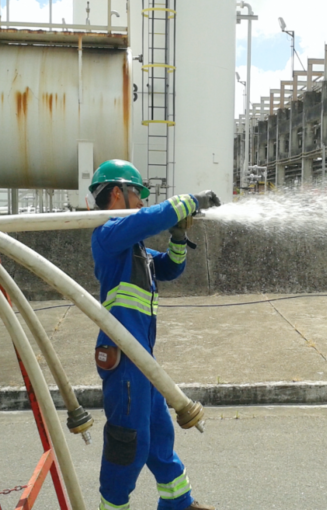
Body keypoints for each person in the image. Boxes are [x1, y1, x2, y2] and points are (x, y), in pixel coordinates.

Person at [89, 159, 221, 510]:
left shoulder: (136, 249)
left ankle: (179, 502)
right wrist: (190, 201)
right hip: (124, 359)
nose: (143, 202)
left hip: (143, 359)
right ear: (116, 193)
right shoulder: (107, 234)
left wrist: (178, 236)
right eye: (138, 194)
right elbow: (151, 218)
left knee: (160, 435)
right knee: (128, 443)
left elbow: (171, 268)